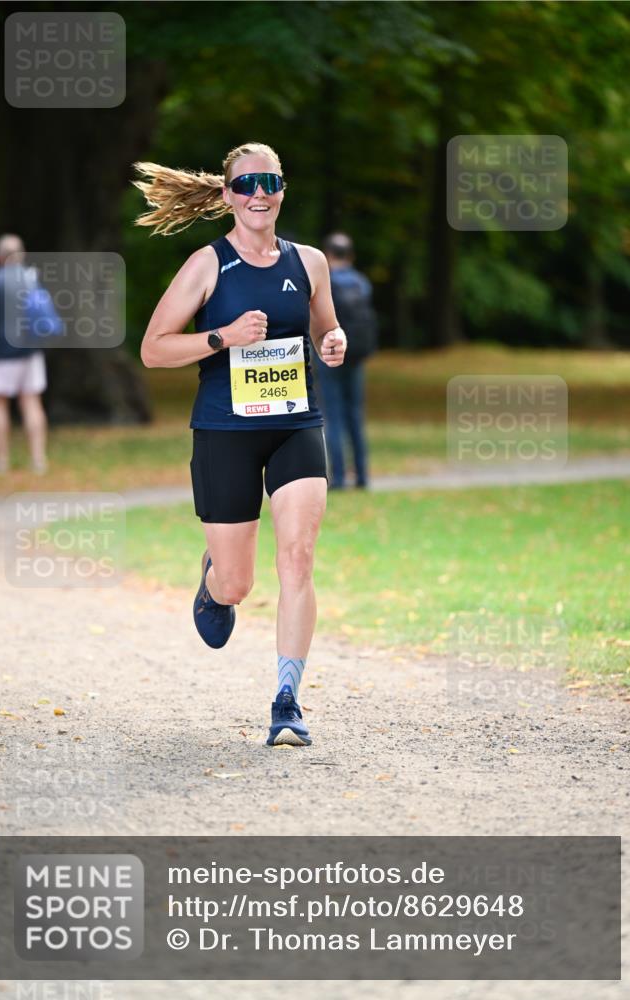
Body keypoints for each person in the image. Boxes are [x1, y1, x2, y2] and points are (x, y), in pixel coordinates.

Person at [134, 142, 347, 747]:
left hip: (295, 424)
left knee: (299, 556)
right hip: (225, 431)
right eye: (247, 182)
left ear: (283, 190)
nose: (259, 192)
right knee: (237, 586)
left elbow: (324, 326)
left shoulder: (309, 262)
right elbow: (153, 348)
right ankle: (214, 582)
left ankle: (287, 700)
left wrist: (332, 341)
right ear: (228, 195)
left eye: (270, 181)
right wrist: (222, 337)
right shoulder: (207, 264)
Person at [0, 234, 49, 475]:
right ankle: (38, 461)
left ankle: (2, 461)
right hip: (31, 351)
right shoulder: (31, 279)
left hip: (0, 353)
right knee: (32, 403)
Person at [315, 232, 377, 490]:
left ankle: (338, 477)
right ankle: (362, 476)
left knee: (333, 416)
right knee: (355, 415)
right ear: (350, 255)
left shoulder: (325, 281)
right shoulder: (362, 283)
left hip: (329, 355)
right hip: (357, 355)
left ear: (327, 254)